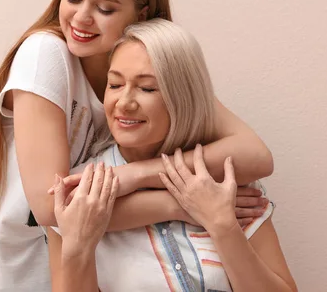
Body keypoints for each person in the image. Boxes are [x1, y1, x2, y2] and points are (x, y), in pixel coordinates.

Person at [0, 0, 274, 292]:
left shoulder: (151, 64)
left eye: (105, 9)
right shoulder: (46, 55)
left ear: (141, 14)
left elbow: (256, 155)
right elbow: (54, 211)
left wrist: (138, 175)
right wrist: (185, 204)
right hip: (2, 277)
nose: (82, 18)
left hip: (65, 274)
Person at [49, 20, 296, 292]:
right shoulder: (80, 193)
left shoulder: (225, 179)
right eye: (115, 84)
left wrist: (222, 224)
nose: (125, 103)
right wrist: (78, 247)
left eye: (147, 88)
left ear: (183, 96)